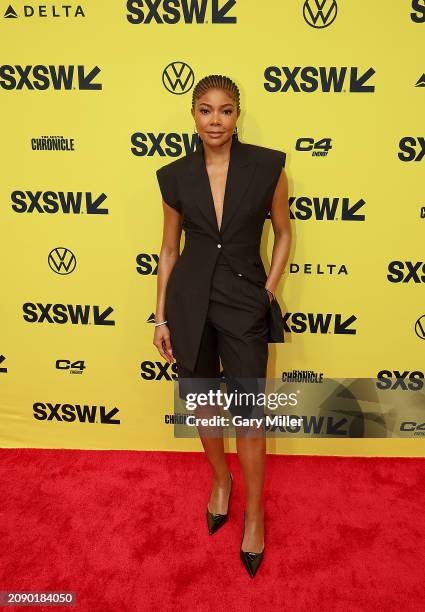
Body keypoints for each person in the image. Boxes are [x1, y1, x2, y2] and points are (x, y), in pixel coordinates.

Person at [154, 74, 291, 578]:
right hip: (190, 301)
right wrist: (162, 315)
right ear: (193, 114)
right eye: (206, 110)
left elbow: (283, 233)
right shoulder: (174, 176)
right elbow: (170, 249)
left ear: (239, 115)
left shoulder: (268, 167)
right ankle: (220, 481)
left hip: (244, 302)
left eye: (226, 110)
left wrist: (267, 292)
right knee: (204, 406)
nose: (215, 120)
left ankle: (255, 513)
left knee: (251, 415)